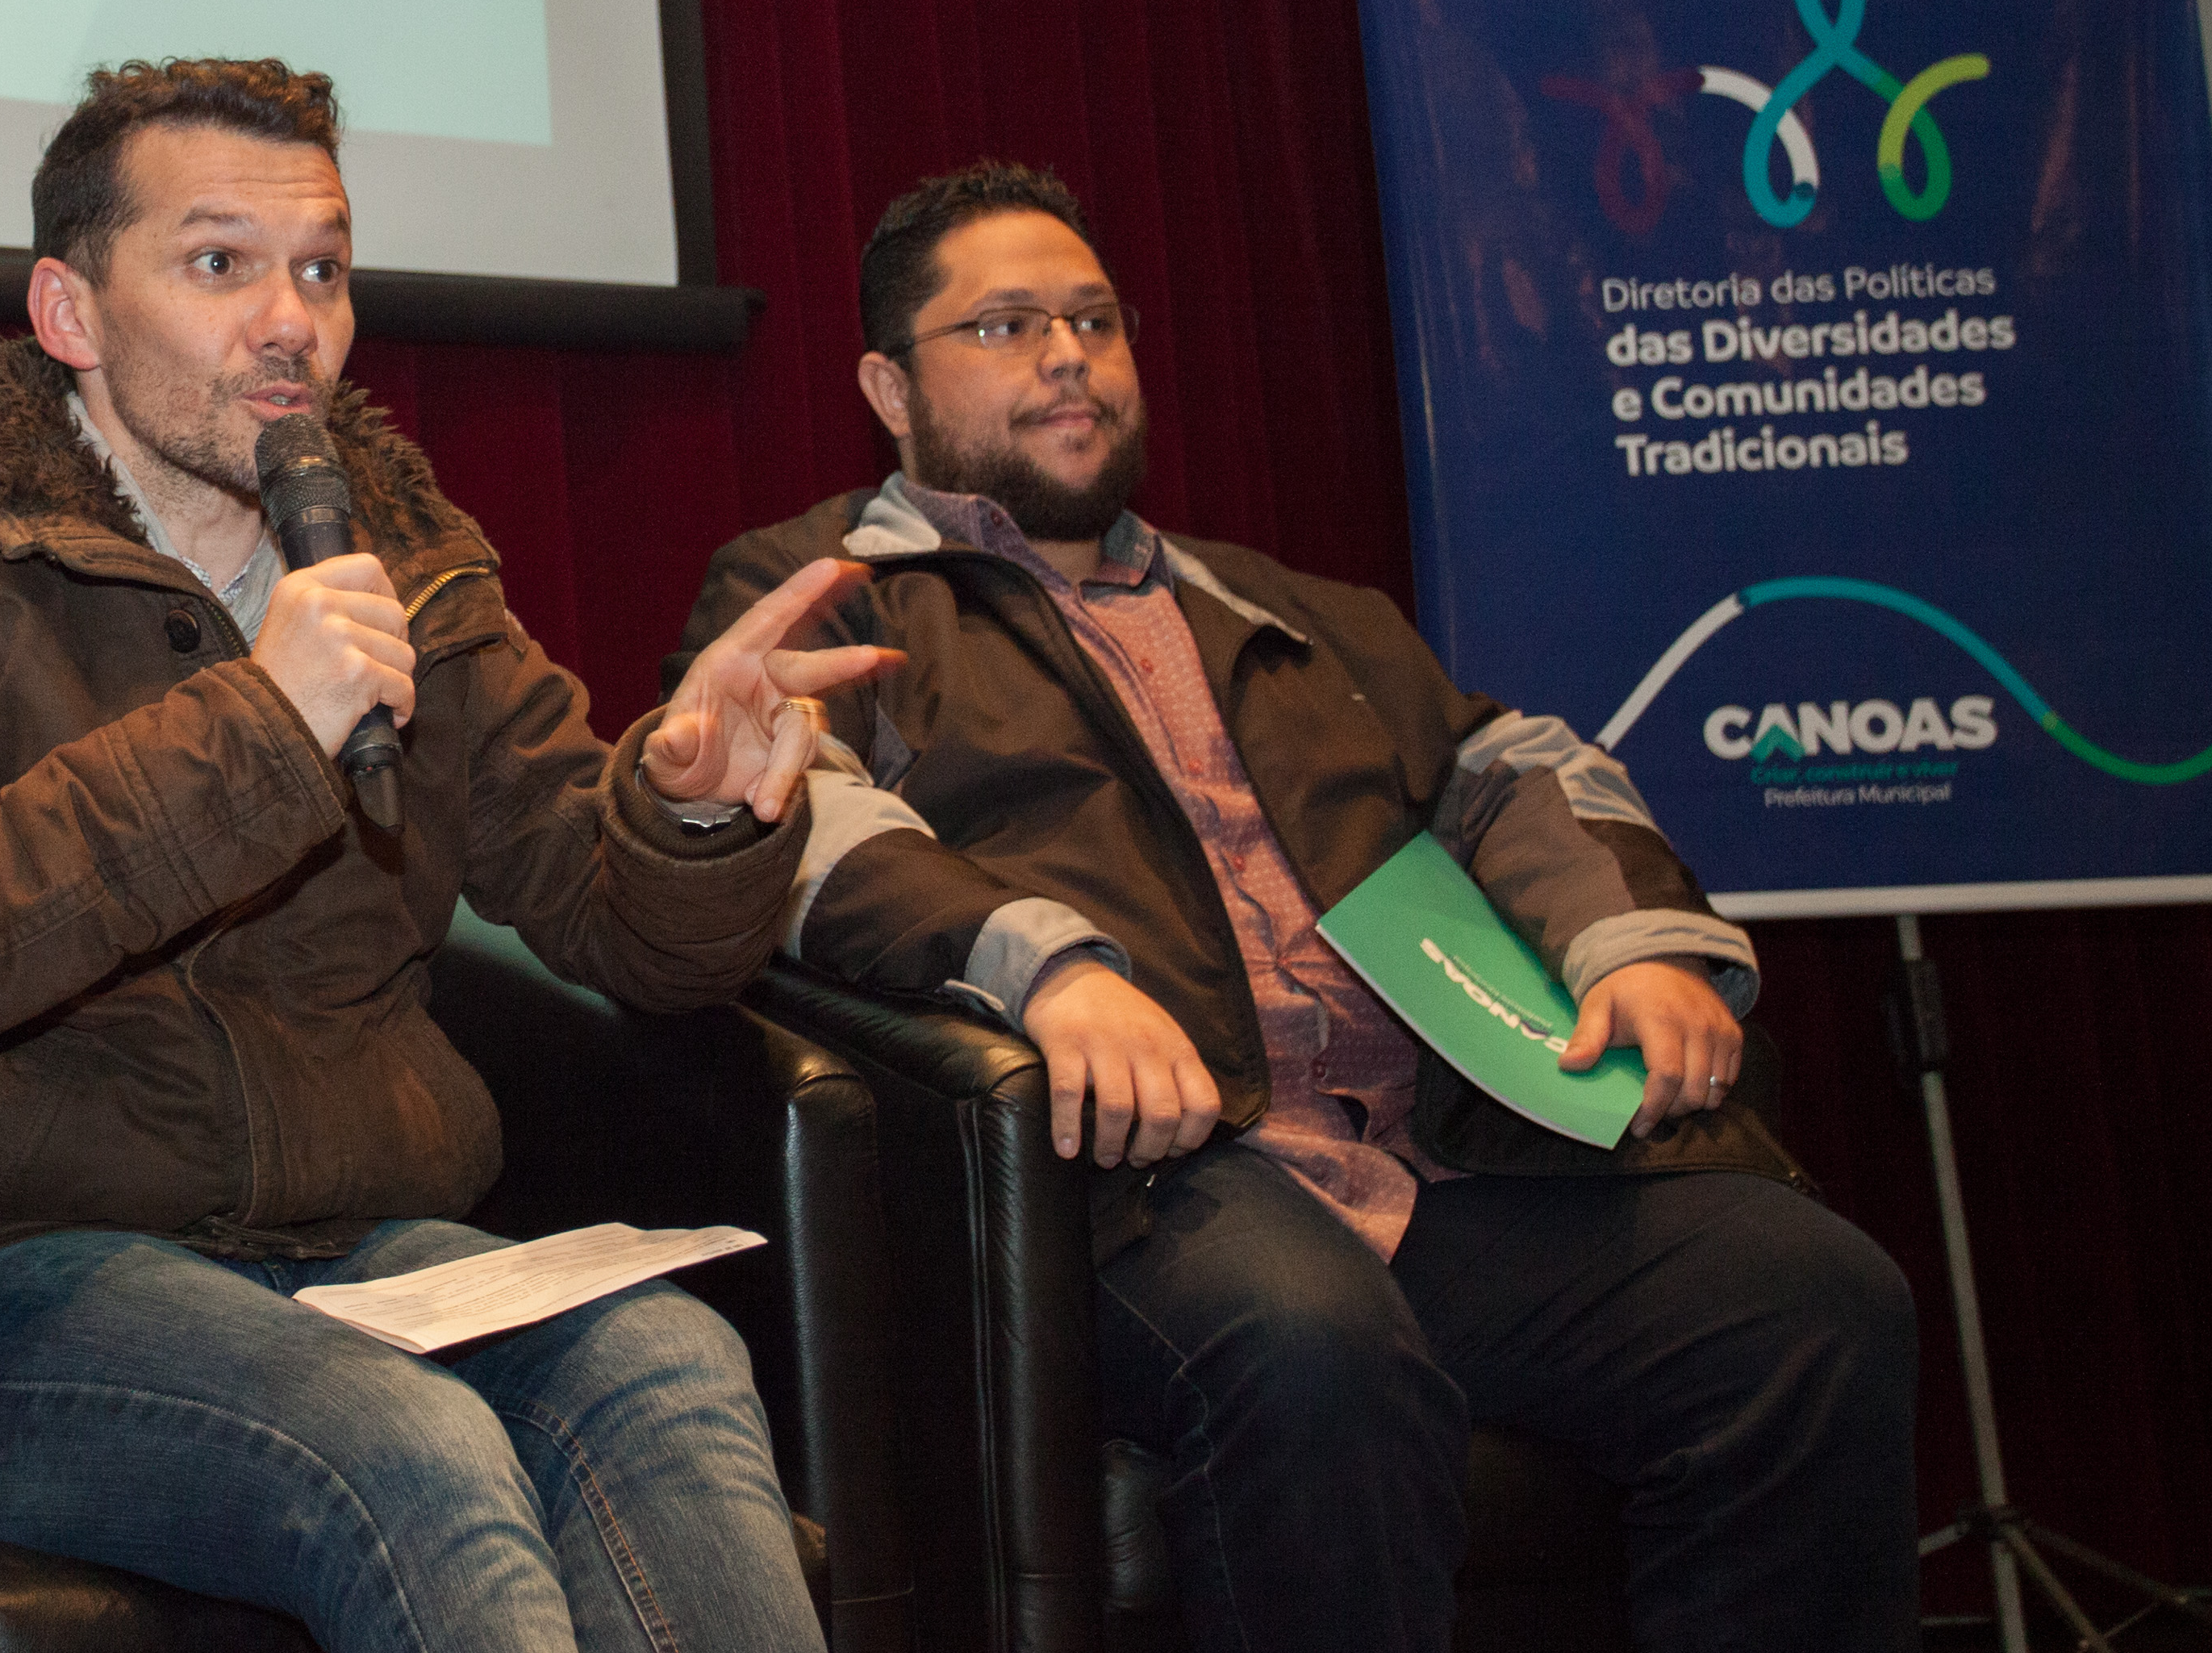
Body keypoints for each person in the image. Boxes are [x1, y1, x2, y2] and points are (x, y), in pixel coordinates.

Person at [0, 57, 892, 1653]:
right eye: (220, 262)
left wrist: (694, 807)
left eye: (324, 269)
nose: (292, 321)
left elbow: (625, 928)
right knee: (407, 1445)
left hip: (370, 1248)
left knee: (671, 1367)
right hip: (23, 1276)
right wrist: (262, 724)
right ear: (70, 311)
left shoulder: (410, 567)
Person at [674, 159, 1916, 1653]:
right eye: (1005, 326)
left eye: (1094, 321)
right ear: (891, 386)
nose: (1068, 356)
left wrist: (1634, 945)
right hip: (1139, 1183)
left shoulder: (1291, 609)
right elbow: (802, 819)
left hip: (1434, 1159)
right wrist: (1049, 970)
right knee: (1320, 1350)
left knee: (1812, 1301)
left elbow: (1515, 767)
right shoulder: (827, 601)